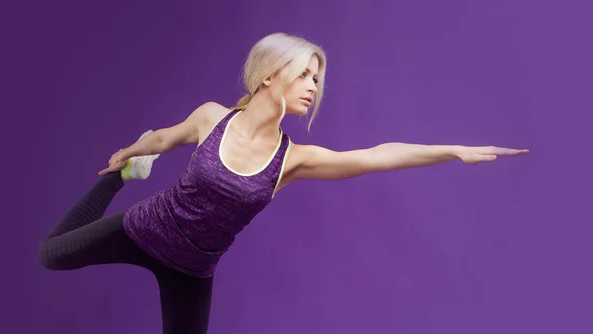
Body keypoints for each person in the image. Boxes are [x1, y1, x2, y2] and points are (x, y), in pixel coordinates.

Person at [38, 32, 529, 334]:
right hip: (146, 228)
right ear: (272, 75)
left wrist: (452, 151)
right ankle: (119, 181)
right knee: (51, 255)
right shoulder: (212, 119)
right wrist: (129, 156)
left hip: (192, 269)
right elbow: (167, 138)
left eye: (319, 77)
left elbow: (375, 156)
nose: (314, 86)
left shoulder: (293, 159)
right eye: (305, 74)